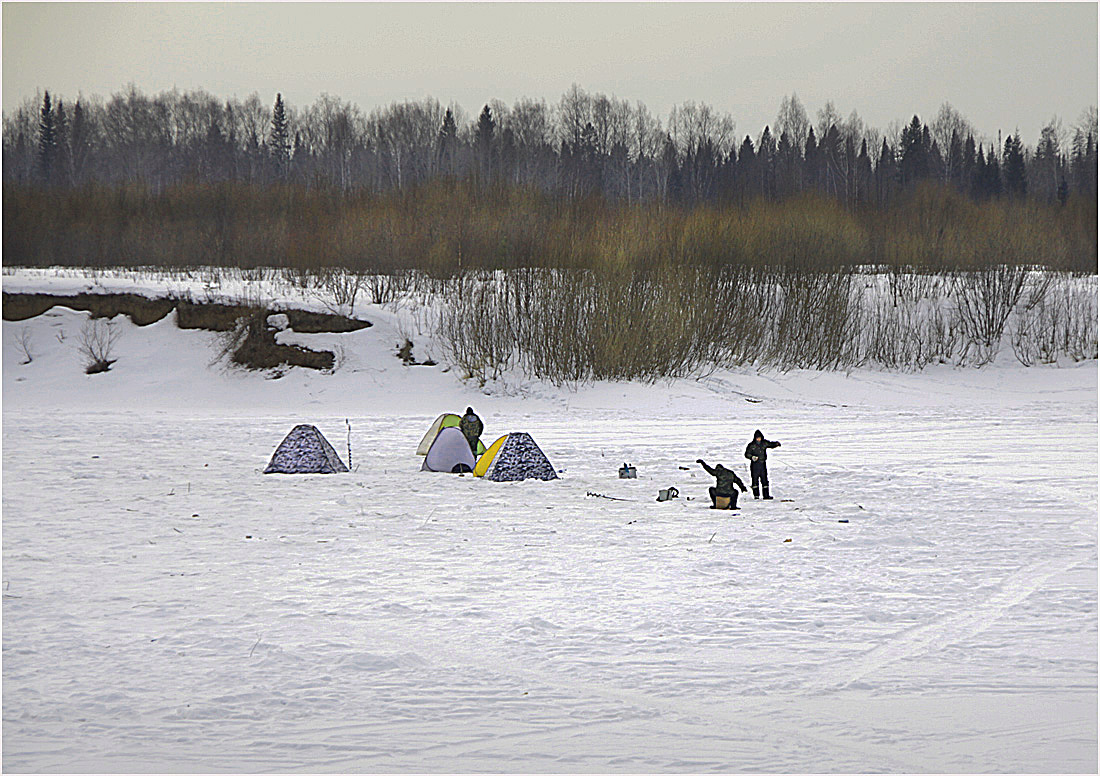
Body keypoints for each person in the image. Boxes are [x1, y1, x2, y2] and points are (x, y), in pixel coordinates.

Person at [744, 429, 781, 500]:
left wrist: (776, 444)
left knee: (764, 480)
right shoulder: (751, 445)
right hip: (754, 465)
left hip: (762, 464)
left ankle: (766, 495)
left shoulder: (764, 443)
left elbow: (770, 444)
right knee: (755, 480)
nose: (758, 439)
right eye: (757, 438)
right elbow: (746, 454)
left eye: (760, 438)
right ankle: (756, 495)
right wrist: (752, 457)